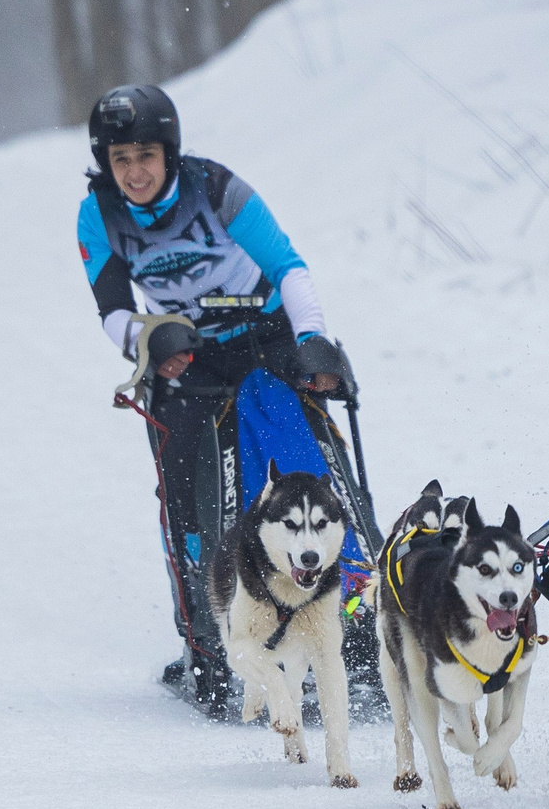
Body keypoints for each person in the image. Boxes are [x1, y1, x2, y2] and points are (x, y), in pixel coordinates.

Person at [76, 84, 365, 710]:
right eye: (120, 159)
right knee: (184, 489)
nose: (134, 172)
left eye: (146, 156)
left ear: (170, 152)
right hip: (184, 351)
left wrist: (312, 341)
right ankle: (207, 645)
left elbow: (288, 266)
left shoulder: (216, 189)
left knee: (304, 465)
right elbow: (111, 311)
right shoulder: (98, 215)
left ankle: (355, 618)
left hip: (265, 334)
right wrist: (148, 337)